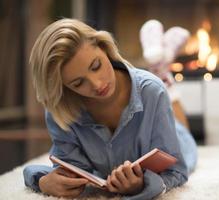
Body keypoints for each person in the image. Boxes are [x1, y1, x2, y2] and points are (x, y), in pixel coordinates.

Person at [23, 18, 197, 200]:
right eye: (78, 83)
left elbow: (177, 171)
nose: (97, 84)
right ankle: (160, 66)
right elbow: (69, 170)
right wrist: (44, 182)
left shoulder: (152, 92)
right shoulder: (61, 111)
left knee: (179, 125)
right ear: (65, 87)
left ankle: (161, 71)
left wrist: (141, 185)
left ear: (104, 48)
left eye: (96, 66)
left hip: (175, 132)